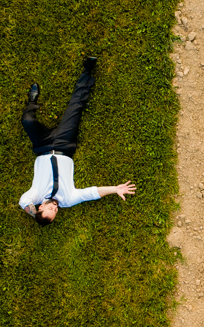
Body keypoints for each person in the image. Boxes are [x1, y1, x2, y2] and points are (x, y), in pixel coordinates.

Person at [19, 56, 135, 226]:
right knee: (76, 107)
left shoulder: (35, 195)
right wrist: (115, 189)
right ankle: (88, 70)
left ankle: (32, 101)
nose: (56, 208)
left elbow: (23, 201)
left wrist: (36, 214)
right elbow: (91, 193)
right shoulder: (68, 199)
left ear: (41, 206)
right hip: (65, 145)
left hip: (42, 145)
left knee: (27, 121)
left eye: (50, 210)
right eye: (56, 212)